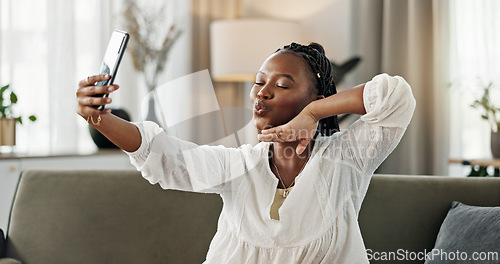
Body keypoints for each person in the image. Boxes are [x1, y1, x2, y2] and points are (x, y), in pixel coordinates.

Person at [76, 42, 415, 263]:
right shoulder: (238, 165)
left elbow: (394, 97)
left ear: (317, 99)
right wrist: (98, 117)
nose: (262, 93)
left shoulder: (347, 158)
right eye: (258, 81)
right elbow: (165, 157)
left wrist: (313, 115)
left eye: (282, 85)